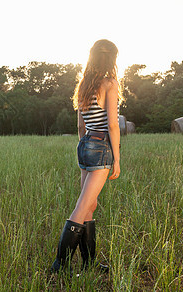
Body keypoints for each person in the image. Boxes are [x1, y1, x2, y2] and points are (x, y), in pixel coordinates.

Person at [51, 39, 122, 273]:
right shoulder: (109, 84)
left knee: (90, 205)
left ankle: (89, 263)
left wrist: (85, 145)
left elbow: (81, 125)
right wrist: (117, 159)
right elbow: (113, 124)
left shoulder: (84, 85)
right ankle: (60, 265)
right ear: (111, 59)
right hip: (101, 145)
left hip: (84, 144)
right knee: (83, 206)